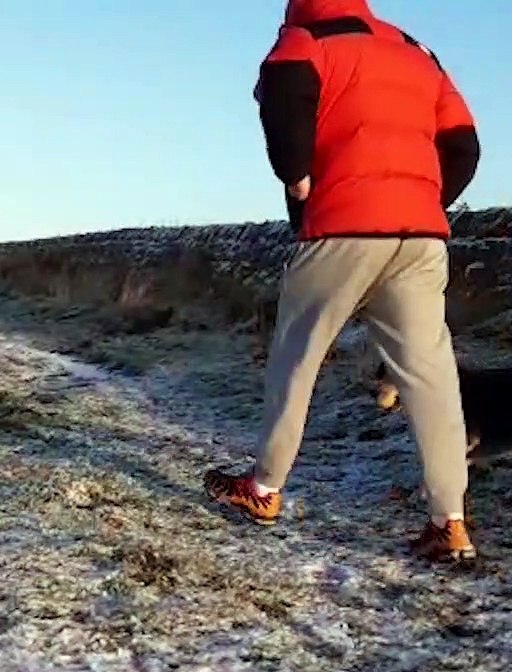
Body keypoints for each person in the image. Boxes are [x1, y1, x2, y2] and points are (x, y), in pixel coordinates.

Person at [204, 0, 482, 563]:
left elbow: (284, 98)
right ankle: (450, 524)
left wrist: (297, 177)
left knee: (296, 360)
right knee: (431, 378)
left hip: (339, 226)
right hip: (421, 235)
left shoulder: (305, 39)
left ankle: (263, 489)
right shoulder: (416, 51)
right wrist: (423, 199)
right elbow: (464, 145)